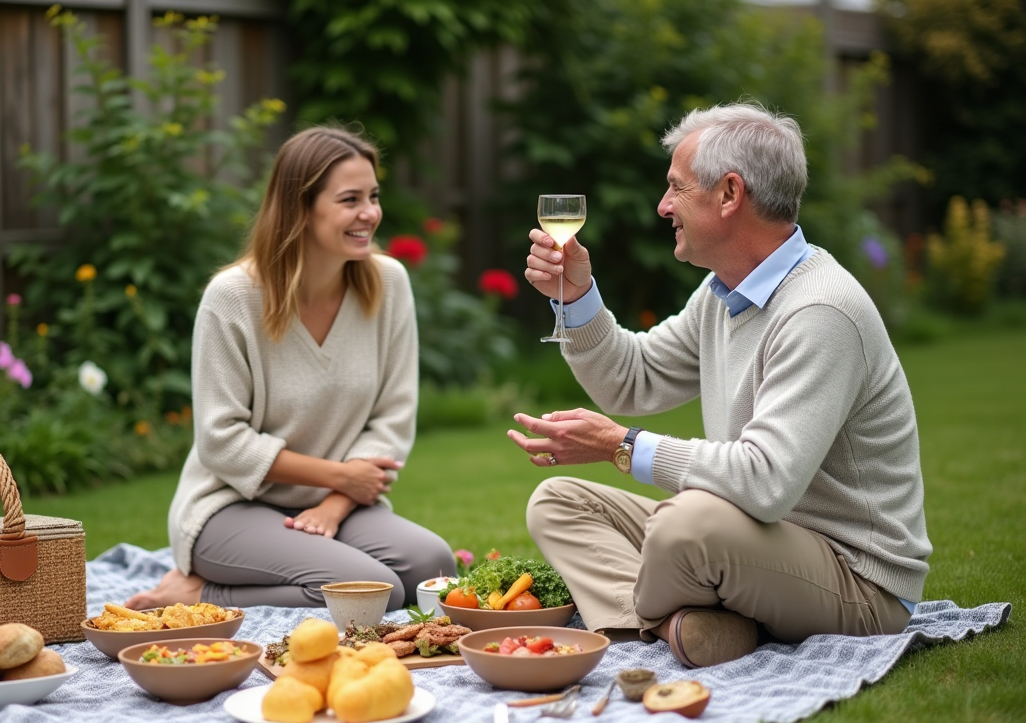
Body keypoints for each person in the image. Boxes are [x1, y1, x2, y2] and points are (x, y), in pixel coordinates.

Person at [507, 103, 932, 667]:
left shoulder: (821, 309)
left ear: (730, 194)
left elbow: (764, 482)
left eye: (676, 189)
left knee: (685, 526)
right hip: (756, 541)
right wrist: (575, 297)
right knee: (558, 502)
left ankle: (665, 621)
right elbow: (635, 379)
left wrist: (621, 446)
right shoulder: (721, 294)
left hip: (859, 581)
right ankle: (684, 626)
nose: (663, 207)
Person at [127, 125, 454, 612]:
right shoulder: (233, 297)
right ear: (301, 207)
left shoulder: (388, 283)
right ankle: (197, 591)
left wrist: (337, 499)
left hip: (337, 503)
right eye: (350, 200)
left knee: (434, 566)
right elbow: (221, 440)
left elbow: (392, 417)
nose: (370, 213)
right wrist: (339, 476)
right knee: (370, 589)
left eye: (373, 196)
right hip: (228, 506)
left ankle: (225, 584)